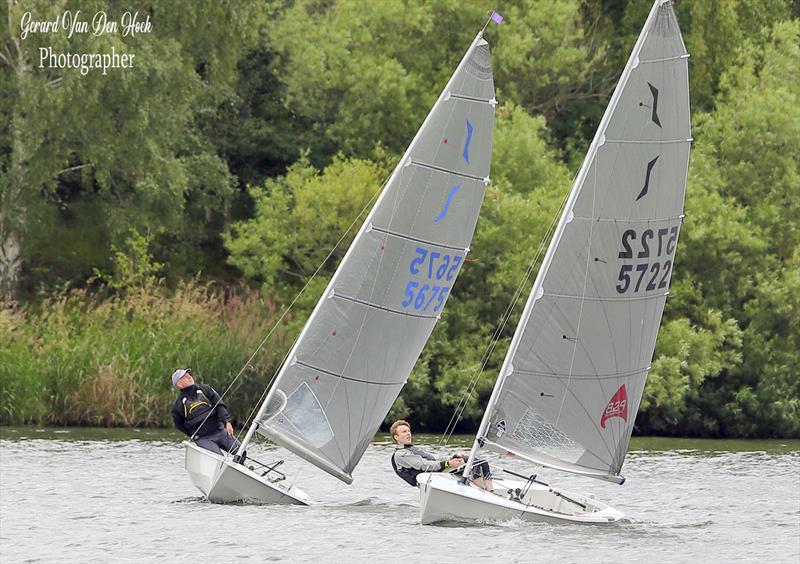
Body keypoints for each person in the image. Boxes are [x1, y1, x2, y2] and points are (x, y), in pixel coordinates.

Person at [389, 419, 492, 490]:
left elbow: (434, 457)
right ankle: (483, 493)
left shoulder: (413, 449)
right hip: (430, 476)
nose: (408, 433)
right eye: (404, 432)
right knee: (474, 464)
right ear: (396, 437)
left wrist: (454, 456)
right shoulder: (400, 454)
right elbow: (424, 465)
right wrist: (448, 463)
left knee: (481, 461)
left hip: (437, 471)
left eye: (409, 431)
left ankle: (488, 491)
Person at [171, 368, 244, 460]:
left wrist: (227, 422)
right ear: (179, 384)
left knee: (241, 453)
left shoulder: (205, 389)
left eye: (189, 375)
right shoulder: (178, 404)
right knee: (219, 459)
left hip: (220, 431)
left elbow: (219, 405)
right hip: (203, 438)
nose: (189, 377)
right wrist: (193, 434)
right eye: (185, 377)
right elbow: (178, 424)